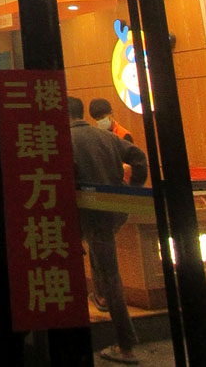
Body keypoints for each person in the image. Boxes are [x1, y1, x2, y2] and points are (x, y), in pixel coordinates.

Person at [68, 95, 147, 366]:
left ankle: (125, 345)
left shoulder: (64, 140)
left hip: (85, 215)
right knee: (106, 267)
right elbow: (138, 158)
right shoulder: (108, 137)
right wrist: (133, 189)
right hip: (111, 212)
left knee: (106, 272)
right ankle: (102, 299)